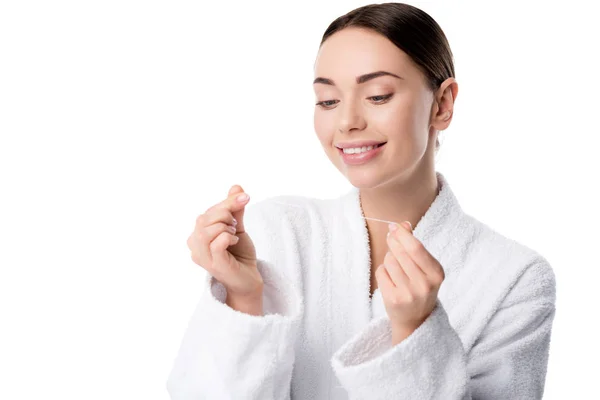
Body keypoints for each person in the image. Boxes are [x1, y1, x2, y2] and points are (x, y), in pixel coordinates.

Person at [166, 3, 557, 399]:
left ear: (442, 104)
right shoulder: (275, 233)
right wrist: (243, 297)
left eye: (377, 95)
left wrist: (415, 334)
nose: (347, 121)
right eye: (328, 101)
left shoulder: (514, 277)